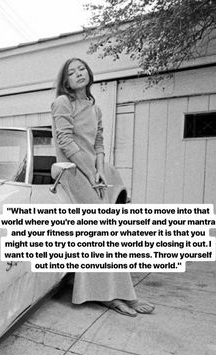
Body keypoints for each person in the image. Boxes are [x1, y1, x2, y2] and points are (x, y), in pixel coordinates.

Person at [51, 57, 155, 316]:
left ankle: (122, 293)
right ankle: (106, 295)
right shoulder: (63, 102)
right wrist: (89, 173)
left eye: (81, 69)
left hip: (93, 171)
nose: (78, 74)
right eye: (72, 72)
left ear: (89, 73)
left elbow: (98, 144)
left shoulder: (94, 108)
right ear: (65, 81)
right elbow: (65, 142)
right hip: (70, 171)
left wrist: (99, 169)